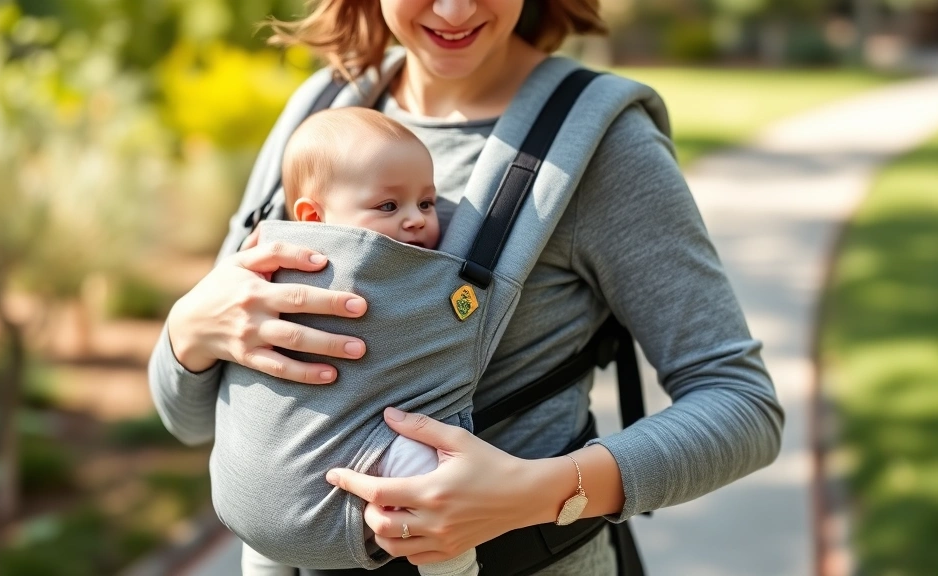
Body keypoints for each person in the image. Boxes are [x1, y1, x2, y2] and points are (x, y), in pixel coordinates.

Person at [148, 1, 785, 575]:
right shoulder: (321, 111)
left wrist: (542, 492)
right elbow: (188, 419)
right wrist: (188, 333)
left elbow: (742, 406)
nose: (454, 9)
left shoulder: (601, 147)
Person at [235, 106, 478, 576]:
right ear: (313, 216)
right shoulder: (273, 261)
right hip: (277, 441)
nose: (416, 220)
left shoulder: (417, 267)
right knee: (258, 488)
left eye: (426, 203)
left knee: (428, 476)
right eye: (389, 206)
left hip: (379, 433)